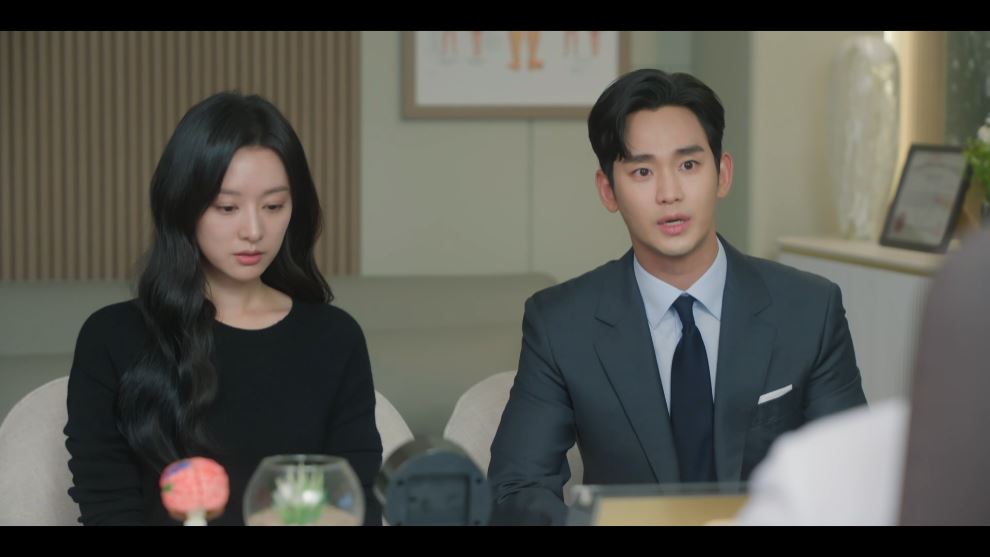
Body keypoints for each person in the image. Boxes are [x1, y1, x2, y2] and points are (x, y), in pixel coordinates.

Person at [488, 68, 868, 525]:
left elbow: (851, 480)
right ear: (608, 190)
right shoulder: (561, 324)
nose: (669, 193)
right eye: (642, 171)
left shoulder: (809, 309)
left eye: (688, 165)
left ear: (722, 174)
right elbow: (516, 489)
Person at [64, 91, 383, 526]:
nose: (253, 230)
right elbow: (108, 507)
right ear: (183, 205)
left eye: (273, 206)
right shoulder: (113, 337)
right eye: (227, 207)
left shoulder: (333, 337)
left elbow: (355, 500)